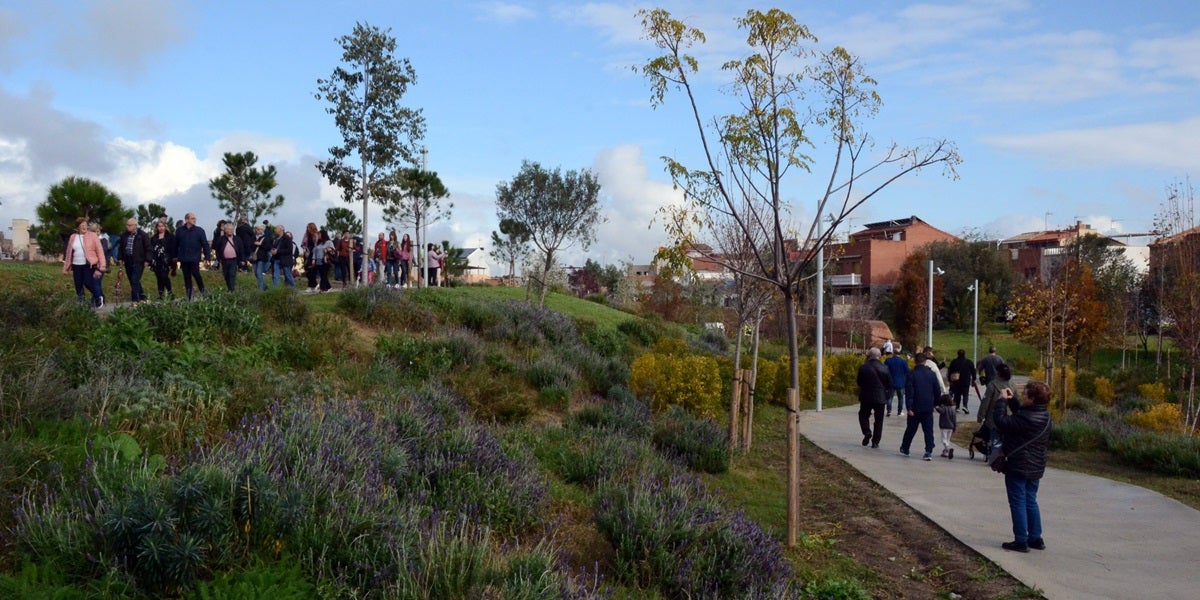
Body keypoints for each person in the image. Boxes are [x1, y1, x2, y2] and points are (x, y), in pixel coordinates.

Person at [992, 380, 1052, 552]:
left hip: (1018, 465)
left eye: (1025, 394)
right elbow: (1023, 415)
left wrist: (1001, 401)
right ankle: (1035, 537)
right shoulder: (1045, 416)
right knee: (1031, 501)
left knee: (1018, 501)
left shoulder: (1025, 418)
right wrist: (1012, 401)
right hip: (1036, 465)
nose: (1023, 396)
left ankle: (1020, 540)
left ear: (1032, 399)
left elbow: (1001, 421)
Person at [901, 352, 940, 461]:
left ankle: (905, 447)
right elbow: (937, 390)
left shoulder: (911, 374)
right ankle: (928, 451)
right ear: (925, 361)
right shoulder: (931, 374)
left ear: (915, 361)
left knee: (911, 429)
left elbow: (909, 392)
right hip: (928, 406)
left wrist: (909, 407)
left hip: (915, 406)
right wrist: (936, 403)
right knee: (928, 430)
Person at [62, 217, 107, 308]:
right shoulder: (73, 237)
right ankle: (81, 303)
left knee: (87, 282)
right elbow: (69, 252)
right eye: (82, 225)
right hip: (76, 264)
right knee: (78, 284)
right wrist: (66, 267)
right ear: (77, 227)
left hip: (88, 264)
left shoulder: (93, 235)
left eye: (86, 225)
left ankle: (99, 296)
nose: (84, 227)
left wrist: (102, 265)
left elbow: (100, 251)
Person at [977, 363, 1018, 457]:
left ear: (998, 373)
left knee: (994, 438)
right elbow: (1016, 401)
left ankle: (994, 457)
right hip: (1009, 417)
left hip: (994, 418)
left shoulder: (992, 385)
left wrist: (980, 416)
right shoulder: (1012, 385)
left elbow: (985, 402)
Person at [857, 347, 891, 448]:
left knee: (863, 415)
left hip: (866, 396)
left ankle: (867, 431)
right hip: (880, 397)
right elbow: (889, 384)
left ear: (869, 355)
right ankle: (875, 441)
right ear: (879, 356)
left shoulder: (863, 367)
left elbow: (859, 382)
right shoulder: (885, 368)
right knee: (879, 420)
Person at [174, 212, 211, 300]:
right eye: (192, 218)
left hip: (195, 258)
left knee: (196, 274)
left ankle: (203, 292)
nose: (194, 220)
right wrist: (175, 256)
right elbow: (175, 244)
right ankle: (190, 296)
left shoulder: (200, 231)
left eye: (195, 218)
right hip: (184, 258)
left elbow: (205, 244)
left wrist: (207, 257)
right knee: (187, 277)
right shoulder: (179, 231)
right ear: (186, 220)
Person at [117, 217, 151, 306]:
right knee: (132, 280)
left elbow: (148, 248)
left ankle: (135, 300)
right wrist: (120, 258)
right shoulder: (124, 235)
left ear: (135, 226)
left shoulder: (143, 235)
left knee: (135, 279)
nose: (127, 227)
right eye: (127, 225)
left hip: (139, 260)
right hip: (128, 260)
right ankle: (143, 298)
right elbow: (121, 248)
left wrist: (147, 260)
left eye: (129, 225)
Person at [213, 222, 247, 291]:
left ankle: (232, 290)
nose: (230, 231)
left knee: (232, 274)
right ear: (225, 230)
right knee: (226, 275)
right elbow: (217, 250)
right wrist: (219, 259)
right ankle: (229, 288)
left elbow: (241, 250)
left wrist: (243, 260)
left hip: (234, 260)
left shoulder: (237, 239)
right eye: (229, 229)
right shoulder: (221, 239)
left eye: (232, 229)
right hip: (224, 260)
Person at [148, 220, 176, 300]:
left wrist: (173, 258)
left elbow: (173, 248)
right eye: (159, 226)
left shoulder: (170, 236)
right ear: (157, 227)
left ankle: (170, 293)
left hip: (166, 260)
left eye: (162, 226)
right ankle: (161, 295)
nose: (161, 228)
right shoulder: (154, 238)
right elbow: (151, 248)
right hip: (156, 260)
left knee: (164, 276)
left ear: (165, 227)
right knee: (159, 278)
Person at [948, 349, 977, 414]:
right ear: (964, 354)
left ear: (957, 354)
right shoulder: (969, 362)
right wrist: (974, 379)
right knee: (965, 394)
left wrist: (950, 380)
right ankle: (965, 406)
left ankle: (957, 407)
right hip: (966, 381)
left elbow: (949, 371)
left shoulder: (954, 362)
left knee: (957, 394)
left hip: (956, 381)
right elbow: (973, 371)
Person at [885, 344, 911, 417]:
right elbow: (908, 372)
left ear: (893, 353)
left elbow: (885, 370)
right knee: (901, 398)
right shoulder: (903, 362)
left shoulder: (888, 360)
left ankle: (889, 410)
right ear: (900, 354)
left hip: (891, 382)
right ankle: (899, 412)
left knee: (890, 397)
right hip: (901, 382)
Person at [936, 393, 957, 459]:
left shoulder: (944, 408)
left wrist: (936, 407)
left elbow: (941, 411)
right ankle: (946, 452)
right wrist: (954, 427)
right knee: (948, 439)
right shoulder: (953, 410)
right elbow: (954, 419)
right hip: (951, 427)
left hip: (944, 426)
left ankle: (948, 448)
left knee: (943, 440)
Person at [252, 224, 272, 290]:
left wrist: (260, 244)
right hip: (255, 257)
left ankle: (260, 289)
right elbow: (250, 246)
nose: (257, 230)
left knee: (259, 272)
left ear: (262, 230)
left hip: (262, 257)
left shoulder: (266, 238)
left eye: (259, 229)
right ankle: (264, 286)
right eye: (256, 229)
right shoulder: (253, 237)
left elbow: (268, 247)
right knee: (255, 273)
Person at [302, 222, 320, 292]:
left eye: (309, 227)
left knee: (312, 270)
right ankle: (314, 284)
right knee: (307, 269)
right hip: (307, 253)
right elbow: (303, 243)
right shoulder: (306, 235)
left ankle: (310, 286)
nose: (308, 229)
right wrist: (304, 249)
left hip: (314, 253)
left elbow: (318, 245)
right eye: (307, 227)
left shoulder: (316, 235)